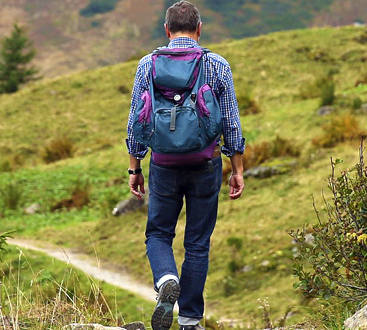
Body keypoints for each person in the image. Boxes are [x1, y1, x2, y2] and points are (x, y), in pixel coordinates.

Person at [125, 1, 245, 330]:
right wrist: (237, 169)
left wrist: (135, 168)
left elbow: (136, 121)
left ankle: (165, 278)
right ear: (199, 28)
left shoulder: (147, 65)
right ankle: (190, 320)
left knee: (159, 234)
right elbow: (232, 123)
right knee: (197, 242)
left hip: (163, 164)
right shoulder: (216, 65)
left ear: (166, 30)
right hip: (205, 164)